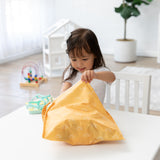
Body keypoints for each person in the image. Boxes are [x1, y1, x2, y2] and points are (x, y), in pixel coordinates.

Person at [61, 28, 115, 103]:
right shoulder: (70, 72)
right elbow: (64, 92)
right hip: (75, 111)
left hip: (95, 113)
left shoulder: (100, 71)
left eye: (84, 59)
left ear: (95, 54)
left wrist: (95, 75)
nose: (79, 64)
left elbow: (112, 77)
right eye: (74, 59)